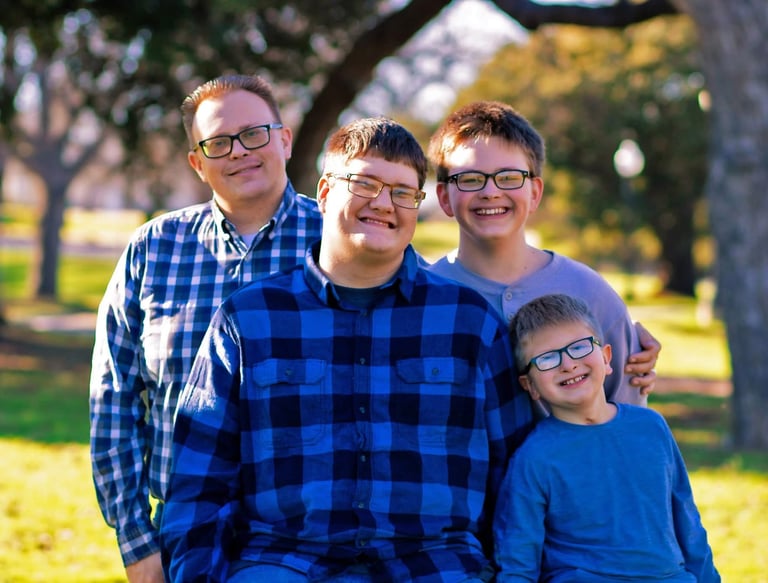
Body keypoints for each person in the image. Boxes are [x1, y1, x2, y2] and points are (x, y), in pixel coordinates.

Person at [161, 117, 535, 582]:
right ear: (322, 193)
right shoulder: (249, 320)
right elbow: (199, 485)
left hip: (435, 562)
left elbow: (518, 476)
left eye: (403, 192)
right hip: (282, 560)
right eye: (365, 184)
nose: (384, 203)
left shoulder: (470, 324)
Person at [89, 74, 323, 582]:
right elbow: (114, 398)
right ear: (198, 162)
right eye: (218, 143)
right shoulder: (153, 248)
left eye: (254, 134)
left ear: (284, 139)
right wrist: (135, 541)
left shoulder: (338, 238)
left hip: (312, 537)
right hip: (180, 530)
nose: (239, 151)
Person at [427, 101, 660, 412]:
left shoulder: (589, 292)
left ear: (534, 192)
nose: (490, 192)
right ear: (444, 197)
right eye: (470, 179)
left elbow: (629, 423)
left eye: (508, 177)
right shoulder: (424, 294)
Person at [494, 293, 720, 582]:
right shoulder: (533, 458)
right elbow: (518, 558)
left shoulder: (651, 427)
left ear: (606, 358)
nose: (568, 364)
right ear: (530, 385)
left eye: (578, 347)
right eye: (547, 358)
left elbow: (686, 518)